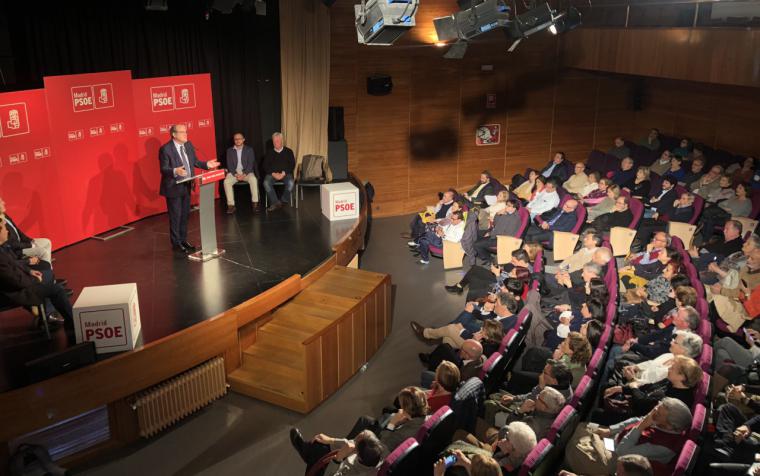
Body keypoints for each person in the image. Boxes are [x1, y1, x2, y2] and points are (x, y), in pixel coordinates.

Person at [564, 399, 691, 476]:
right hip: (614, 438)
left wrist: (641, 427)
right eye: (656, 408)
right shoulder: (659, 417)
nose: (653, 412)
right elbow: (635, 420)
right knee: (584, 426)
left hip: (615, 456)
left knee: (578, 444)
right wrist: (610, 430)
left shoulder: (665, 447)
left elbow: (622, 453)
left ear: (670, 426)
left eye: (658, 413)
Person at [0, 218, 74, 336]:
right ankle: (70, 324)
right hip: (15, 293)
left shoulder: (3, 249)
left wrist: (30, 271)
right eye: (4, 229)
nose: (8, 232)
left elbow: (14, 263)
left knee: (46, 271)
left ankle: (60, 313)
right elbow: (15, 281)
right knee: (54, 287)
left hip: (20, 281)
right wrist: (34, 279)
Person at [158, 124, 220, 254]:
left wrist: (207, 164)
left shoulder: (188, 145)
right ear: (174, 134)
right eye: (182, 132)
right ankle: (176, 243)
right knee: (176, 216)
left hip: (186, 185)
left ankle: (183, 240)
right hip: (173, 187)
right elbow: (163, 169)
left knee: (185, 215)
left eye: (186, 132)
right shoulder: (165, 149)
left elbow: (195, 162)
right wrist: (176, 170)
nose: (186, 134)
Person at [291, 429, 385, 475]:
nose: (352, 441)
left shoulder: (350, 471)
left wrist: (338, 458)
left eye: (355, 441)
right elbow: (351, 444)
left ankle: (306, 452)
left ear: (358, 455)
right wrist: (331, 440)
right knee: (322, 446)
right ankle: (307, 452)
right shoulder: (377, 454)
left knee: (318, 450)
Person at [0, 197, 53, 266]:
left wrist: (30, 240)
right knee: (43, 252)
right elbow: (11, 244)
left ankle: (46, 266)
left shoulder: (5, 215)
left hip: (22, 243)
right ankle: (45, 273)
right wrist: (30, 245)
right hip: (17, 251)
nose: (4, 203)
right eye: (1, 202)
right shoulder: (1, 223)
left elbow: (17, 231)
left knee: (47, 242)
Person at [223, 132, 259, 214]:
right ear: (234, 141)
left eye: (239, 139)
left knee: (253, 179)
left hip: (246, 172)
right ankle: (231, 206)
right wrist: (236, 174)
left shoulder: (249, 149)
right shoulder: (229, 151)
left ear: (243, 140)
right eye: (236, 139)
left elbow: (251, 164)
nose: (238, 140)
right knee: (226, 182)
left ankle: (255, 204)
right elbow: (230, 165)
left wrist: (244, 175)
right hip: (234, 172)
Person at [262, 132, 296, 211]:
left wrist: (283, 173)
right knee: (266, 183)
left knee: (291, 183)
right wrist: (273, 173)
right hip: (272, 174)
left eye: (277, 141)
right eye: (274, 141)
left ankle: (283, 201)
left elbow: (292, 164)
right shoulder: (269, 152)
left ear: (281, 141)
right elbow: (265, 165)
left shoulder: (288, 151)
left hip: (285, 173)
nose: (275, 143)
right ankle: (275, 202)